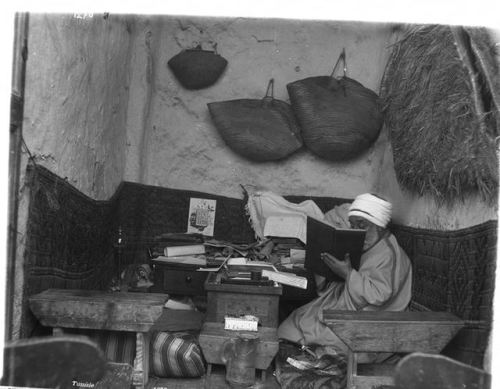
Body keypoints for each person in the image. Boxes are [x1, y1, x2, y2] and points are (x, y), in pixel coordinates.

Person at [277, 193, 412, 356]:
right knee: (295, 321)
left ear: (380, 225)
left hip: (369, 318)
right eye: (353, 226)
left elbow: (378, 296)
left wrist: (347, 273)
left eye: (362, 225)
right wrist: (329, 267)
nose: (357, 231)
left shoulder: (389, 253)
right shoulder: (367, 244)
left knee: (326, 340)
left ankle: (312, 353)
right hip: (343, 303)